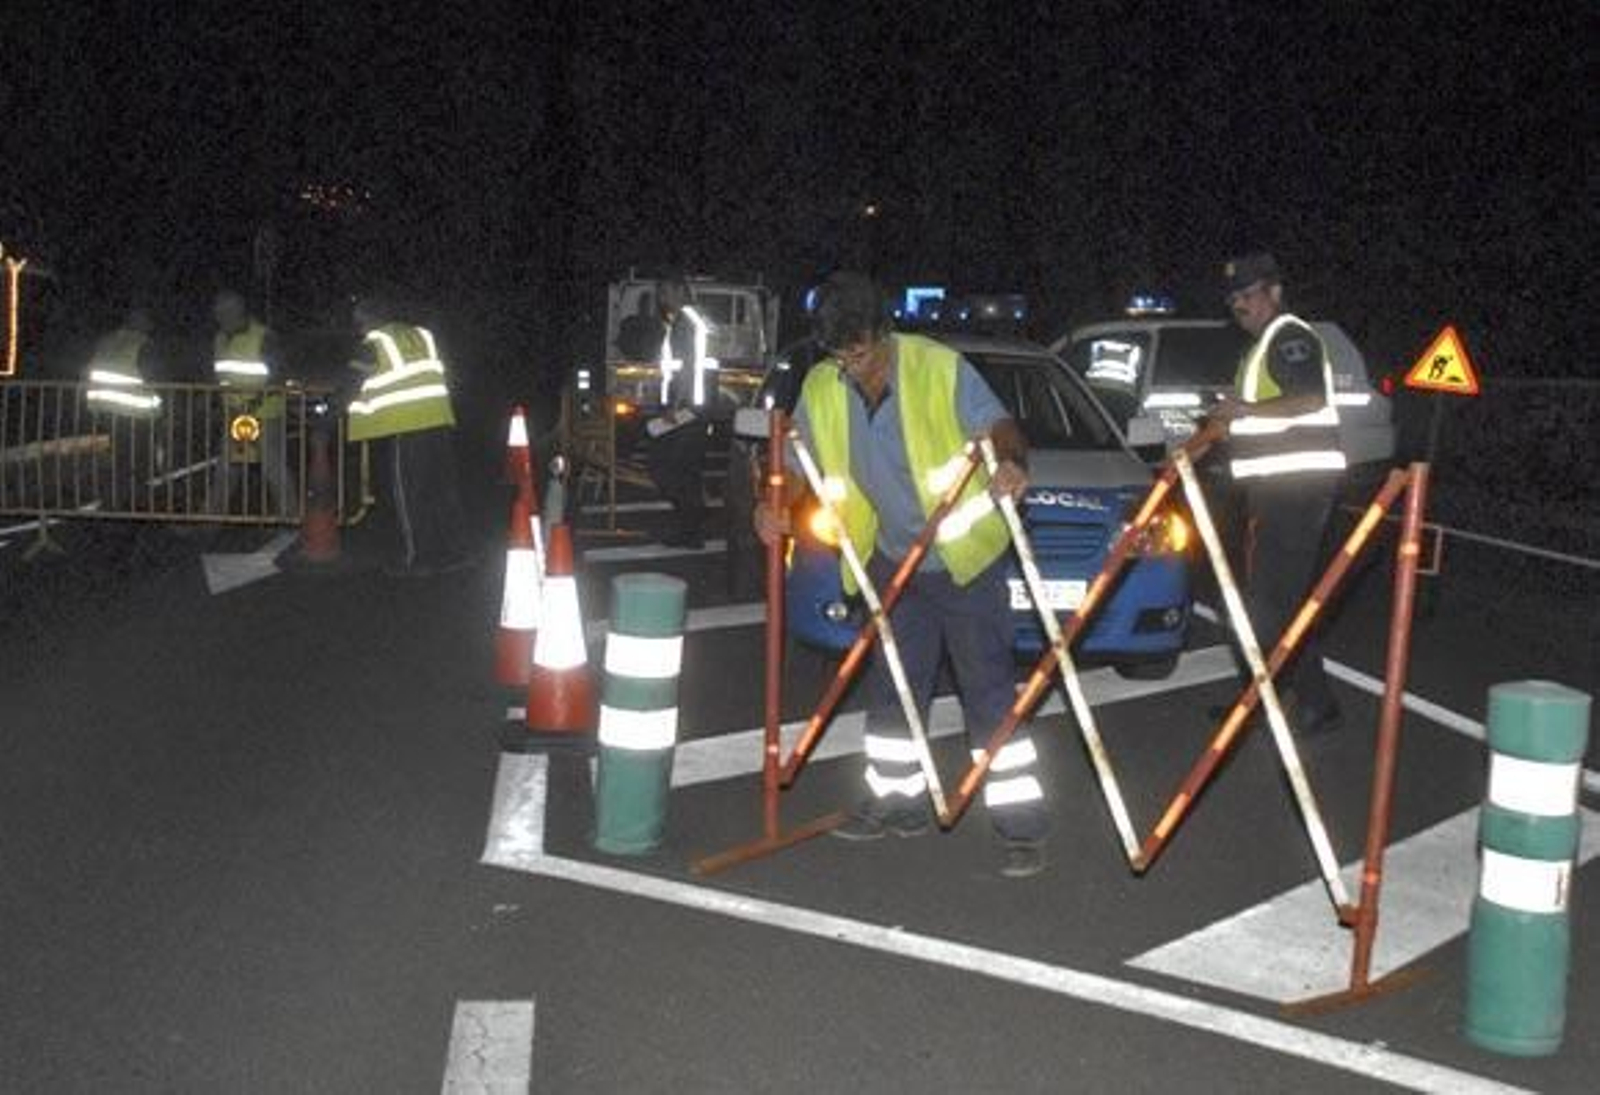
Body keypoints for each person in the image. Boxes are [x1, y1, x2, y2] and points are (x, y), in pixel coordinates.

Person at [756, 271, 1047, 878]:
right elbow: (796, 460)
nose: (851, 367)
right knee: (893, 690)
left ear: (883, 333)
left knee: (988, 693)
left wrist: (1012, 463)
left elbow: (999, 426)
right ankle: (897, 801)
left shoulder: (936, 368)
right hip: (892, 560)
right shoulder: (823, 385)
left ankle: (1019, 827)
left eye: (859, 353)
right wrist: (773, 501)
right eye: (839, 356)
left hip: (963, 561)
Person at [1208, 252, 1345, 735]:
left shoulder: (1288, 336)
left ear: (1275, 292)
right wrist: (1230, 420)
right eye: (1233, 299)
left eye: (1248, 294)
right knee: (1271, 603)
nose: (1239, 305)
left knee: (1270, 606)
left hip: (1296, 489)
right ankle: (1270, 697)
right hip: (1274, 491)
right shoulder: (1262, 345)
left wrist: (1243, 411)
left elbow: (1309, 398)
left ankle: (1306, 702)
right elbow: (1264, 411)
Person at [347, 296, 472, 577]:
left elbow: (350, 382)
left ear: (369, 320)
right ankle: (457, 553)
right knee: (442, 491)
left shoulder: (375, 343)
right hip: (438, 418)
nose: (357, 328)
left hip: (407, 424)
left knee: (409, 494)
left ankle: (419, 558)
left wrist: (326, 420)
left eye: (358, 322)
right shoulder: (420, 335)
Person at [207, 289, 293, 517]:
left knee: (272, 467)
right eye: (218, 313)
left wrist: (254, 403)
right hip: (235, 413)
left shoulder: (264, 337)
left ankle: (290, 518)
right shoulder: (220, 338)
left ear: (239, 311)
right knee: (227, 468)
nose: (220, 318)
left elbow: (279, 374)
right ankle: (211, 519)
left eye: (225, 313)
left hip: (264, 413)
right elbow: (221, 376)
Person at [645, 278, 713, 547]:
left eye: (665, 291)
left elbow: (688, 366)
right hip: (697, 407)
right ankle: (692, 529)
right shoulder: (697, 319)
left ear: (679, 291)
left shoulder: (684, 322)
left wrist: (674, 406)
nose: (661, 297)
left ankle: (691, 525)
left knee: (666, 468)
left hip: (686, 409)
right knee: (688, 470)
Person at [84, 306, 163, 509]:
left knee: (118, 460)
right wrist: (165, 408)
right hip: (137, 414)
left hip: (107, 412)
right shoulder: (142, 345)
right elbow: (156, 380)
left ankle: (114, 503)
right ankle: (135, 505)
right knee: (138, 463)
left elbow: (90, 372)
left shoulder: (106, 341)